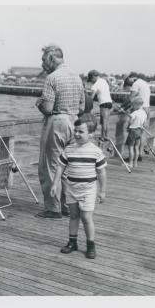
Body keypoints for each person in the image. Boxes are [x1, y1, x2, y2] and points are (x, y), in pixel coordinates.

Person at [35, 44, 85, 219]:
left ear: (51, 58)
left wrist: (39, 103)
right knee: (65, 167)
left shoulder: (52, 78)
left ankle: (52, 208)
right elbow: (83, 105)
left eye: (43, 60)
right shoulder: (76, 76)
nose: (42, 64)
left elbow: (48, 107)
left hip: (58, 122)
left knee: (50, 166)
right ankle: (66, 205)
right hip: (74, 121)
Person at [50, 114, 107, 259]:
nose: (76, 134)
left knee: (86, 218)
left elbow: (101, 172)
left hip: (88, 190)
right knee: (74, 216)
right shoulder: (69, 149)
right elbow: (60, 166)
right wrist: (55, 182)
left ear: (91, 134)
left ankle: (90, 245)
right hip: (71, 189)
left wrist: (103, 191)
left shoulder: (96, 151)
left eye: (81, 132)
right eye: (75, 131)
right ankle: (72, 242)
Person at [123, 74, 151, 161]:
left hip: (139, 110)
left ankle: (132, 156)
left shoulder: (136, 84)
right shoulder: (144, 83)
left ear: (131, 78)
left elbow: (131, 99)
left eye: (127, 81)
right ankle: (140, 155)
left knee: (133, 133)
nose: (128, 83)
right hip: (147, 109)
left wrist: (122, 107)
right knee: (142, 134)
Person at [87, 70, 113, 140]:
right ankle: (106, 136)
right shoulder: (103, 81)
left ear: (93, 77)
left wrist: (87, 103)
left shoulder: (95, 84)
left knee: (104, 121)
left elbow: (92, 97)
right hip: (109, 102)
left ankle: (103, 136)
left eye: (91, 80)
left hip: (103, 103)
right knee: (106, 121)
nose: (91, 82)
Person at [125, 97, 147, 168]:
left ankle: (130, 163)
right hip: (139, 131)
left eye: (133, 105)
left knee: (131, 147)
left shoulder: (134, 113)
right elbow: (144, 123)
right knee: (136, 147)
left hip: (133, 131)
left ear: (137, 105)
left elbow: (130, 122)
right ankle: (135, 163)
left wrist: (128, 126)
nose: (132, 107)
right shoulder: (144, 113)